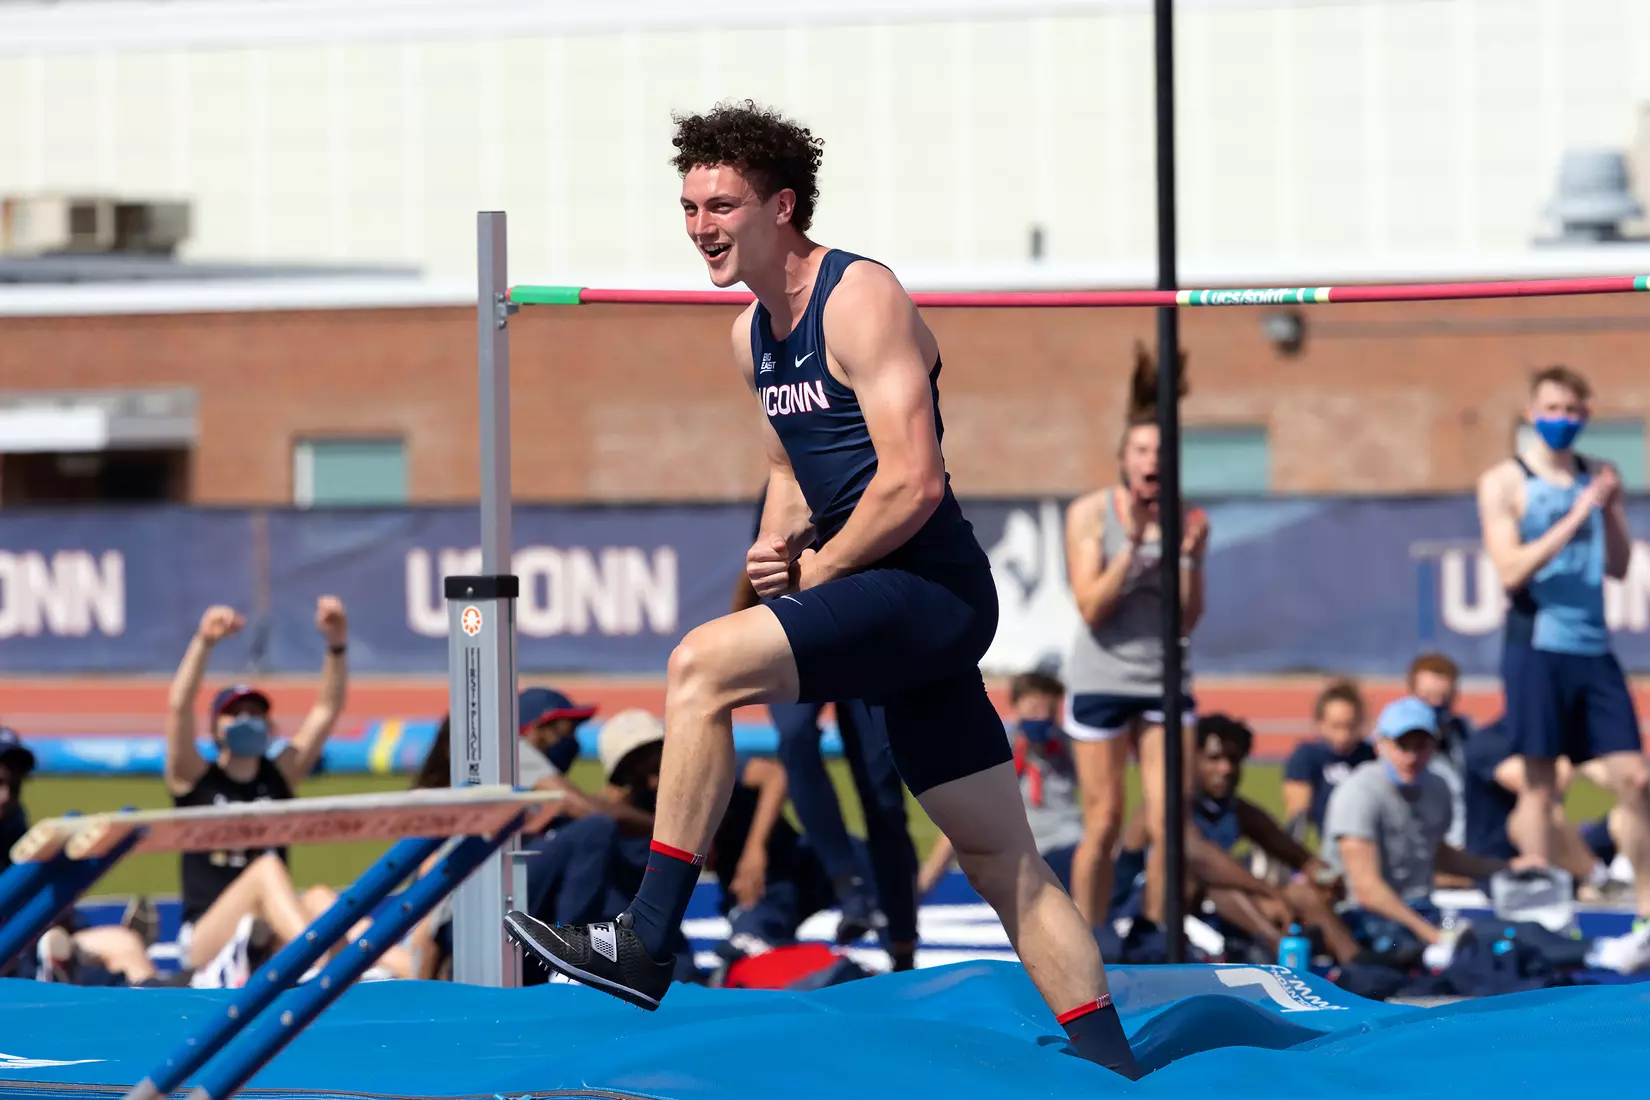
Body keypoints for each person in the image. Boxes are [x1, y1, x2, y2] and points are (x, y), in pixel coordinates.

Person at [504, 100, 1139, 1078]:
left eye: (722, 204)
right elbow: (789, 465)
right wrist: (773, 546)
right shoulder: (749, 334)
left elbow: (914, 480)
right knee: (1002, 858)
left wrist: (820, 571)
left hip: (929, 585)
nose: (701, 225)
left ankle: (646, 937)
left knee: (700, 667)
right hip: (880, 596)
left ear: (782, 206)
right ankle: (1114, 1063)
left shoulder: (860, 297)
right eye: (688, 205)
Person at [1476, 364, 1650, 967]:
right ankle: (1545, 915)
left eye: (1574, 410)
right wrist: (1576, 514)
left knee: (1637, 779)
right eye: (1552, 408)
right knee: (1542, 788)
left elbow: (1622, 567)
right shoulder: (1505, 481)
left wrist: (1610, 511)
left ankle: (1646, 919)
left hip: (1592, 648)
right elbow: (1510, 571)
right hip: (1537, 647)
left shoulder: (1598, 476)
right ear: (1531, 412)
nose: (1563, 420)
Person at [732, 487, 919, 968]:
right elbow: (754, 564)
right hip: (797, 630)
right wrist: (732, 636)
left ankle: (902, 943)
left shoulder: (873, 472)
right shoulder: (782, 480)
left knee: (881, 792)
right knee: (795, 737)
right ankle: (849, 887)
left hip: (864, 630)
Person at [1061, 345, 1211, 936]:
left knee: (1171, 819)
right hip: (1101, 677)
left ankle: (1154, 932)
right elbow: (1092, 607)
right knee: (1103, 822)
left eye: (1161, 451)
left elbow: (1185, 621)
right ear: (1124, 459)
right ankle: (1084, 938)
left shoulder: (1190, 519)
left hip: (1164, 677)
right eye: (1142, 451)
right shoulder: (1090, 514)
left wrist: (1190, 563)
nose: (1152, 460)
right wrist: (1134, 545)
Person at [164, 599, 350, 983]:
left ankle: (367, 980)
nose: (247, 720)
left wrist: (337, 643)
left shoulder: (278, 775)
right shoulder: (193, 778)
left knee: (321, 899)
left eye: (256, 713)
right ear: (216, 727)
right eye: (236, 713)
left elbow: (326, 710)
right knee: (265, 870)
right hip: (205, 937)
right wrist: (203, 642)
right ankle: (320, 971)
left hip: (264, 930)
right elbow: (179, 706)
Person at [1321, 697, 1538, 952]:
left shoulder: (1437, 787)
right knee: (1423, 952)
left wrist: (1507, 868)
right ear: (1380, 745)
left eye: (1421, 745)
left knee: (1511, 937)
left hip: (1421, 909)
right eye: (1403, 745)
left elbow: (1435, 852)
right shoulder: (1359, 793)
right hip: (1361, 915)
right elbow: (1366, 889)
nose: (1412, 756)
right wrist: (1432, 935)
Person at [1185, 715, 1364, 967]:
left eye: (1233, 759)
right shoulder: (1169, 807)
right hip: (1152, 920)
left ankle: (1355, 964)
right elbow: (1201, 858)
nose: (1225, 768)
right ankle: (1283, 955)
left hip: (1216, 912)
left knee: (1301, 895)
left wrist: (1324, 876)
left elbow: (1299, 857)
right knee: (1216, 882)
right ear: (1191, 759)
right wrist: (1270, 893)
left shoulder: (1238, 811)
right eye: (1214, 759)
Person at [0, 726, 160, 986]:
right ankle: (51, 972)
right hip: (15, 955)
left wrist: (70, 928)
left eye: (13, 785)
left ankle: (164, 1013)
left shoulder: (16, 831)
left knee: (123, 944)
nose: (6, 796)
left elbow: (50, 906)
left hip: (32, 943)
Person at [918, 670, 1083, 896]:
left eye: (1050, 710)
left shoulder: (1067, 745)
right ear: (1016, 707)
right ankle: (920, 889)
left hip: (1069, 839)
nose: (1042, 716)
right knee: (961, 821)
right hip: (1022, 843)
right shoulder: (1001, 744)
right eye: (1034, 709)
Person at [1462, 715, 1631, 904]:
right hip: (1506, 871)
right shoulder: (1491, 741)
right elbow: (1533, 782)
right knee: (1536, 810)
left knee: (1632, 792)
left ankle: (1622, 875)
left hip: (1577, 859)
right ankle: (1599, 879)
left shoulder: (1574, 736)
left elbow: (1626, 776)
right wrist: (1588, 771)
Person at [1282, 679, 1375, 839]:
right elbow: (1298, 817)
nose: (1344, 735)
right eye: (1336, 726)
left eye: (1350, 725)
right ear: (1320, 724)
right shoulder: (1307, 756)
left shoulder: (1372, 756)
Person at [1405, 653, 1473, 853]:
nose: (1435, 705)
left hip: (1464, 851)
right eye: (1426, 698)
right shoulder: (1393, 746)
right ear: (1411, 694)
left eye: (1443, 698)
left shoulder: (1466, 735)